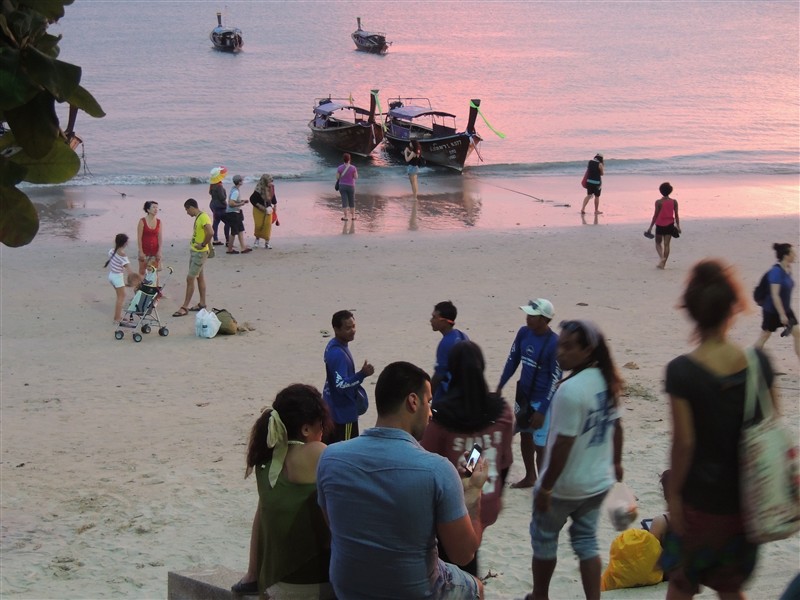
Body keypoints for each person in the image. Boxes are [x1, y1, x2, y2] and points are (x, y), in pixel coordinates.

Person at [317, 361, 488, 600]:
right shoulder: (437, 470)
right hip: (416, 591)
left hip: (348, 587)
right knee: (476, 587)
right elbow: (463, 554)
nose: (431, 413)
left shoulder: (330, 458)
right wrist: (474, 492)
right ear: (413, 402)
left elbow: (332, 525)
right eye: (429, 402)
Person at [662, 259, 777, 599]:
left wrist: (675, 496)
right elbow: (771, 426)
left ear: (691, 311)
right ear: (734, 308)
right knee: (730, 587)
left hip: (699, 502)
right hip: (745, 505)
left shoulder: (682, 371)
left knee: (681, 583)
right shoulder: (759, 364)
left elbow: (684, 443)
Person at [529, 319, 624, 600]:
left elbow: (563, 444)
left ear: (588, 350)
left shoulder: (569, 390)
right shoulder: (607, 381)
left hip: (565, 487)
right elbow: (617, 426)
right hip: (596, 484)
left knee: (545, 540)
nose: (560, 352)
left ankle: (540, 596)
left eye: (569, 347)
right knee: (587, 542)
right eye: (560, 345)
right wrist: (616, 464)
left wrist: (546, 486)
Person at [231, 384, 335, 599]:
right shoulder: (318, 452)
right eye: (321, 425)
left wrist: (252, 575)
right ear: (306, 429)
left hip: (272, 586)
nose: (323, 432)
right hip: (314, 585)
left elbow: (262, 516)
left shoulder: (266, 463)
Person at [421, 340, 514, 576]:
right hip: (488, 500)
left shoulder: (441, 418)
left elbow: (426, 467)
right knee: (469, 556)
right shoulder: (501, 412)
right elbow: (503, 461)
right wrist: (496, 496)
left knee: (455, 566)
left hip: (454, 509)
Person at [496, 298, 561, 489]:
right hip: (523, 397)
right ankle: (530, 476)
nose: (527, 318)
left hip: (542, 400)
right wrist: (500, 385)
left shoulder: (554, 343)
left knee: (541, 445)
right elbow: (513, 360)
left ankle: (544, 485)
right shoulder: (523, 333)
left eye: (533, 316)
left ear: (544, 319)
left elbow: (555, 379)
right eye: (528, 314)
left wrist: (542, 410)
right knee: (525, 436)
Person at [322, 310, 374, 444]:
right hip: (342, 416)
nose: (353, 331)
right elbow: (341, 385)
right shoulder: (338, 354)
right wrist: (362, 374)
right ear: (336, 329)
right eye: (348, 328)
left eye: (354, 326)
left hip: (332, 409)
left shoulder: (333, 346)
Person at [755, 242, 799, 358]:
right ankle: (749, 361)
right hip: (772, 310)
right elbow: (775, 295)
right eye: (793, 253)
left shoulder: (788, 269)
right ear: (786, 256)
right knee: (765, 335)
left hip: (786, 309)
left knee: (798, 333)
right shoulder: (776, 272)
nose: (795, 255)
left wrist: (785, 313)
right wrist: (782, 315)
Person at [172, 198, 212, 317]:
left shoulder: (203, 217)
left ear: (191, 207)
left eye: (187, 210)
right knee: (199, 277)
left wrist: (203, 244)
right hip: (196, 252)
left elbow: (210, 232)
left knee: (190, 278)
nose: (187, 212)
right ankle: (202, 303)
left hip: (200, 253)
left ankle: (184, 307)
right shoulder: (199, 217)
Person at [429, 300, 469, 403]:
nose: (431, 320)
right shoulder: (463, 336)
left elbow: (439, 375)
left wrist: (426, 396)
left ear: (444, 321)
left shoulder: (445, 343)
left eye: (434, 317)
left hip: (450, 398)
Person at [645, 181, 681, 270]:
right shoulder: (674, 202)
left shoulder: (658, 202)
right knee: (667, 245)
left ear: (660, 191)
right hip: (670, 225)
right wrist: (678, 226)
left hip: (660, 225)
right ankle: (663, 264)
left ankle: (662, 258)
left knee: (658, 243)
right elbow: (676, 215)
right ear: (670, 191)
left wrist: (650, 227)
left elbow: (655, 216)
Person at [105, 233, 134, 324]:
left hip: (111, 276)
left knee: (120, 296)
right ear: (125, 243)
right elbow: (129, 269)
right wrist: (133, 280)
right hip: (117, 277)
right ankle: (117, 318)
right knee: (121, 297)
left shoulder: (111, 251)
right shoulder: (122, 255)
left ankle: (118, 316)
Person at [224, 174, 251, 254]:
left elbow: (234, 201)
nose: (243, 181)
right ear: (239, 182)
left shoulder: (234, 189)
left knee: (240, 229)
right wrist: (241, 204)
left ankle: (243, 247)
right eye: (242, 180)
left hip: (236, 213)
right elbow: (231, 203)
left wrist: (242, 201)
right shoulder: (235, 191)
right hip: (233, 213)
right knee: (234, 231)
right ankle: (229, 249)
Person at [250, 173, 277, 249]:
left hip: (268, 209)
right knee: (258, 225)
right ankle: (257, 240)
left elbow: (273, 197)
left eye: (271, 181)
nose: (270, 183)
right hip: (258, 209)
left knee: (267, 225)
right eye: (269, 181)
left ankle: (267, 243)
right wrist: (260, 206)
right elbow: (252, 199)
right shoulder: (258, 189)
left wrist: (275, 206)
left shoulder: (271, 188)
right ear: (264, 181)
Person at [136, 201, 162, 277]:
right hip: (144, 250)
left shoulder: (159, 222)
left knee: (154, 272)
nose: (156, 209)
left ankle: (155, 285)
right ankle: (142, 285)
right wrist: (141, 251)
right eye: (153, 207)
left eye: (157, 207)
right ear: (148, 210)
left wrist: (159, 251)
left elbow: (160, 238)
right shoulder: (142, 221)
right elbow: (139, 238)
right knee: (142, 272)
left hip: (155, 250)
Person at [208, 166, 228, 246]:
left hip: (213, 205)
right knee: (227, 222)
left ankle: (215, 239)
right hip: (220, 206)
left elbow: (211, 193)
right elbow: (222, 198)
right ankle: (228, 240)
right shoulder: (219, 186)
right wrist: (225, 194)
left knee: (216, 222)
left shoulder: (212, 185)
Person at [336, 153, 357, 221]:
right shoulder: (353, 168)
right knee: (352, 201)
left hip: (342, 186)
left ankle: (345, 217)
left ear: (343, 159)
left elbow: (337, 177)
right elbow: (356, 177)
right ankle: (353, 216)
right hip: (351, 186)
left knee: (344, 201)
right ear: (349, 159)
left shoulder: (340, 167)